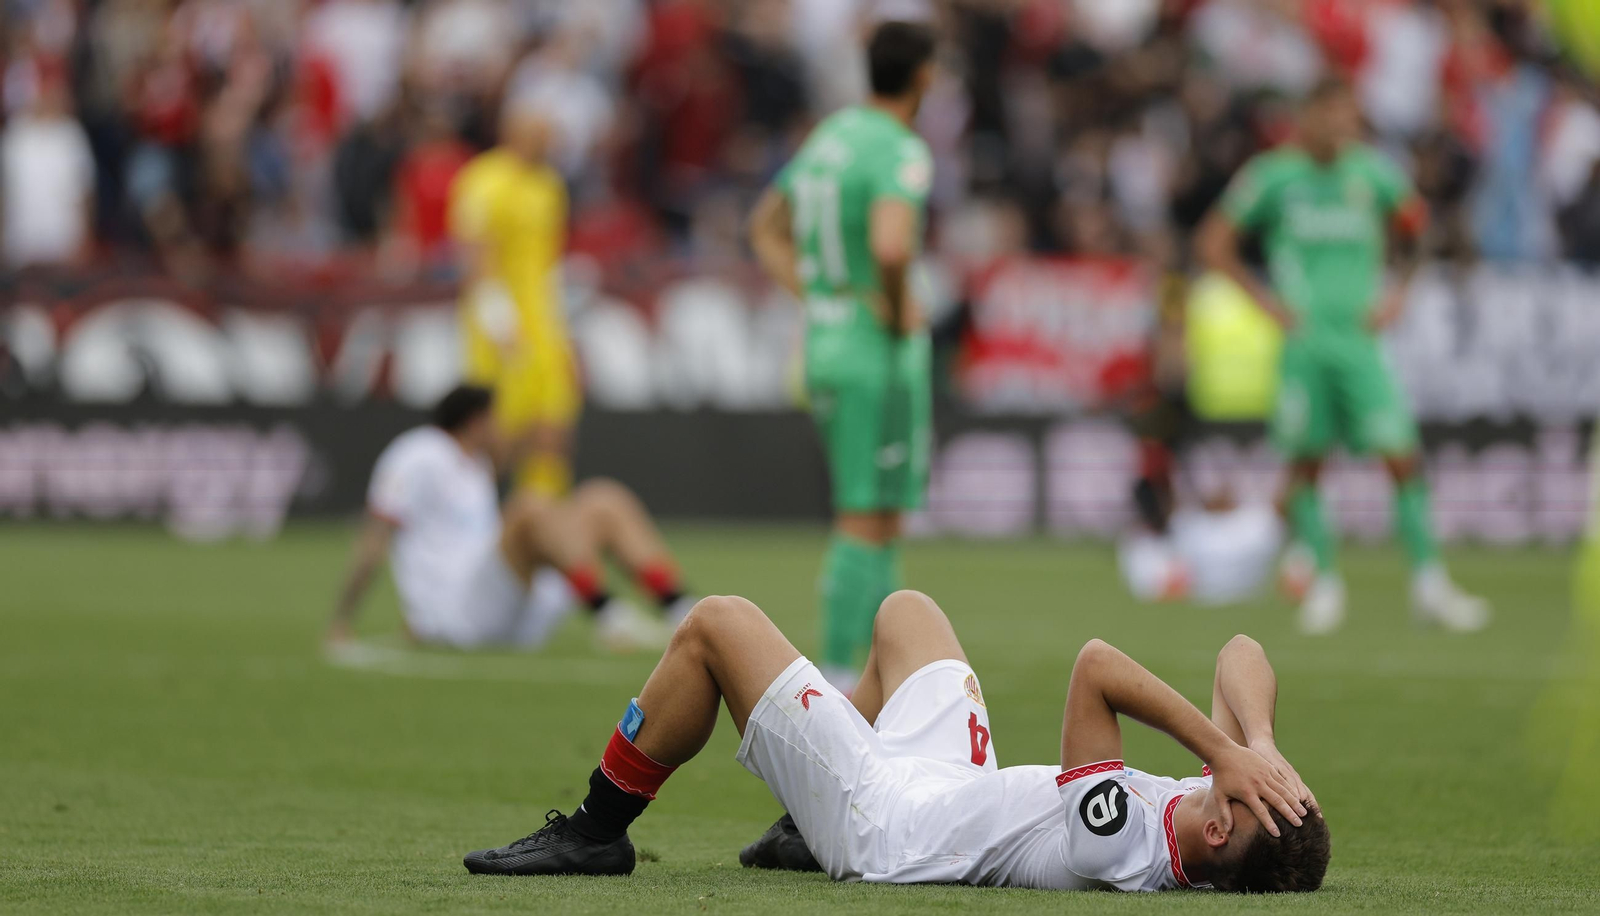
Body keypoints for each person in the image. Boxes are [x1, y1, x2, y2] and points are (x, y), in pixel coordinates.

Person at [461, 590, 1329, 894]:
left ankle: (594, 830)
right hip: (951, 786)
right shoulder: (1212, 819)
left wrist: (1227, 752)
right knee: (907, 614)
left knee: (716, 626)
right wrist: (1255, 738)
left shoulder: (1123, 844)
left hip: (887, 826)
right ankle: (799, 817)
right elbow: (1241, 653)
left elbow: (1096, 667)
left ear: (1220, 830)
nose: (1244, 778)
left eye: (1247, 794)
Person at [1197, 77, 1489, 635]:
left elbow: (1422, 231)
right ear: (1307, 117)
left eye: (1349, 119)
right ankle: (1325, 584)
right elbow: (1213, 243)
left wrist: (1400, 291)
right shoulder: (1272, 177)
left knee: (1402, 456)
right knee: (1307, 463)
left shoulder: (1373, 173)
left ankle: (1430, 584)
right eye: (1333, 117)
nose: (1342, 129)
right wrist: (1265, 303)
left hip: (1360, 344)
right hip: (1305, 345)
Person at [746, 21, 937, 689]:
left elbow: (763, 228)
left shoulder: (828, 137)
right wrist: (891, 302)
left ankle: (884, 673)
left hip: (826, 341)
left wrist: (819, 295)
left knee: (880, 512)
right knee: (866, 513)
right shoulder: (899, 149)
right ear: (925, 76)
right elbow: (891, 245)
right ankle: (832, 675)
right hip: (871, 351)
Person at [326, 385, 694, 652]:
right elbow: (377, 535)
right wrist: (344, 618)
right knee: (528, 507)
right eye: (496, 420)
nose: (501, 427)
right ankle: (608, 617)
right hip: (457, 613)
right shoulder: (418, 453)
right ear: (476, 422)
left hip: (504, 602)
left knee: (602, 499)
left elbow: (506, 453)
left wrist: (535, 439)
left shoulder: (474, 464)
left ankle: (680, 611)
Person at [450, 102, 579, 499]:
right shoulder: (485, 180)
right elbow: (473, 255)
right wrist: (497, 318)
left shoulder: (550, 187)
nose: (549, 143)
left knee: (554, 420)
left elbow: (548, 259)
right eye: (541, 134)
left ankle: (542, 512)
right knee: (496, 428)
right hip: (497, 324)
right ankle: (473, 506)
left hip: (543, 320)